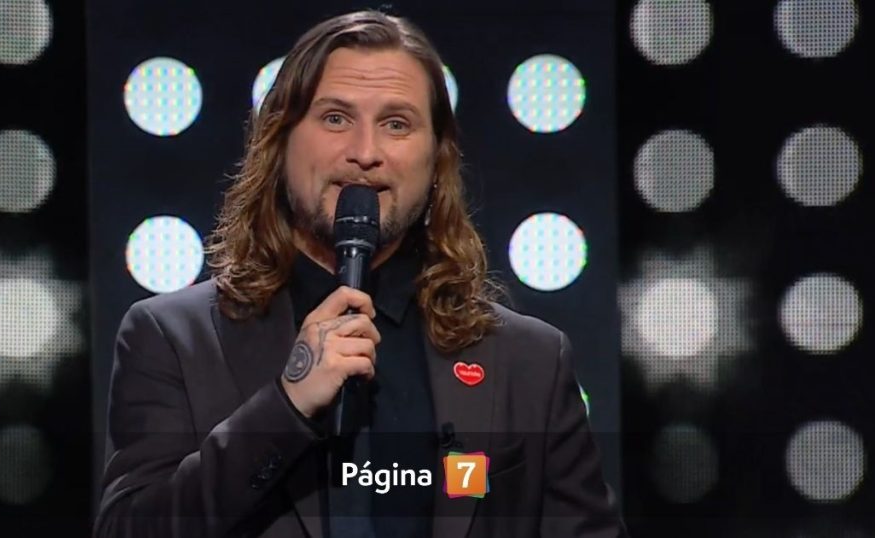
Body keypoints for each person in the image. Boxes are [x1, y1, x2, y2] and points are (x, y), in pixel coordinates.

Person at [94, 9, 626, 538]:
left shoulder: (529, 362)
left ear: (437, 159)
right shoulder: (173, 339)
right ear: (279, 142)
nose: (365, 153)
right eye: (335, 119)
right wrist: (285, 407)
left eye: (396, 124)